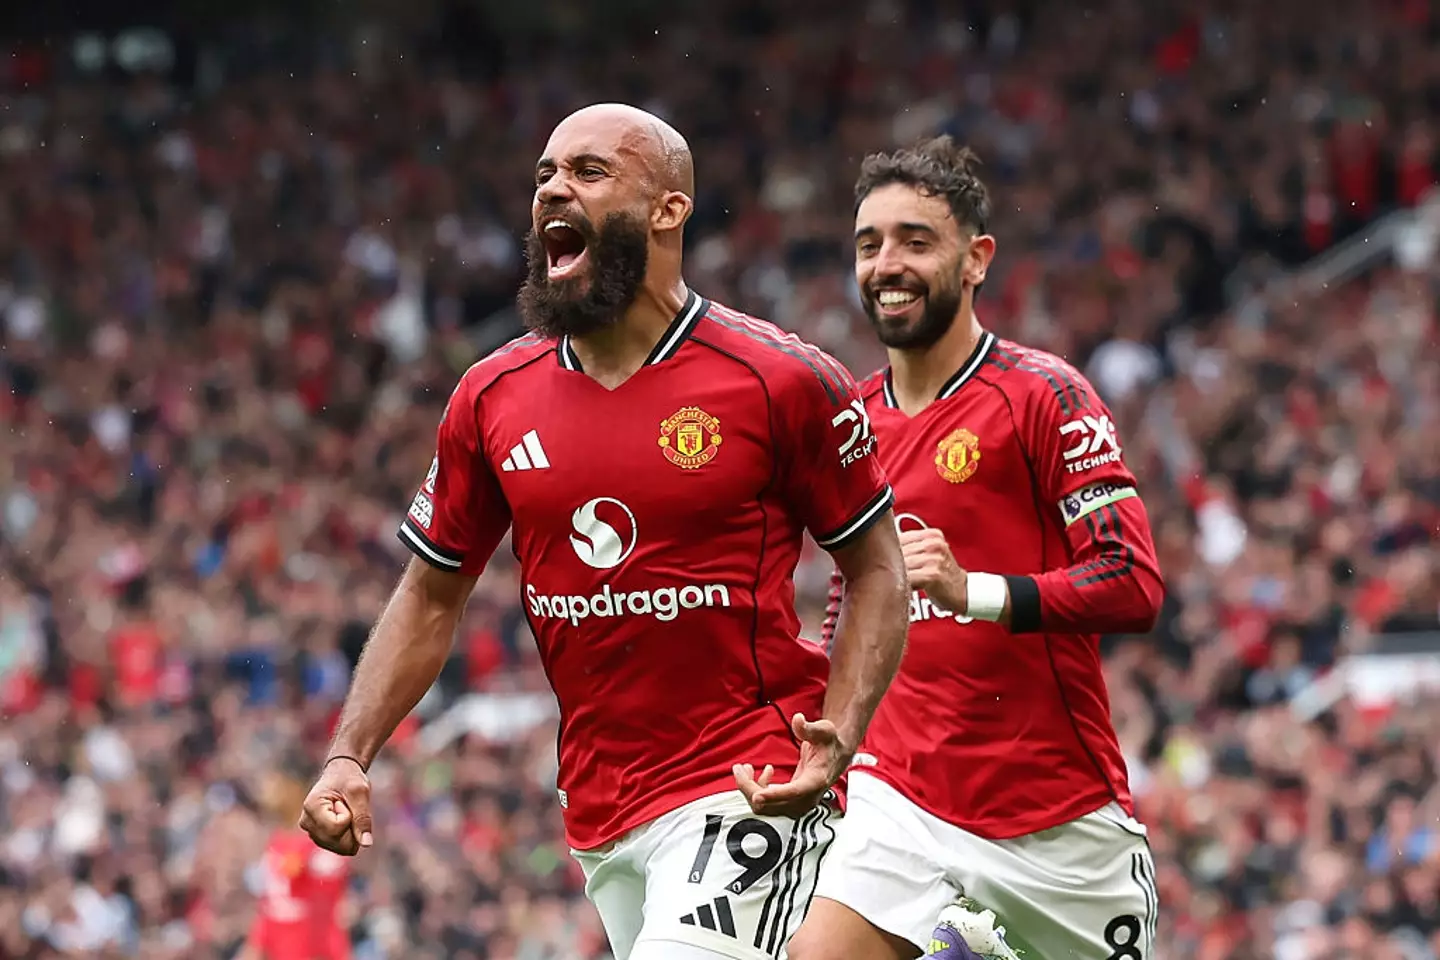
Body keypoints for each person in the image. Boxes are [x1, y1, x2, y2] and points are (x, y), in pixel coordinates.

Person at [297, 103, 910, 960]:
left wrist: (840, 729)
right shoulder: (491, 396)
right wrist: (349, 754)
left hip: (746, 777)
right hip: (599, 809)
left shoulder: (780, 379)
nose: (554, 188)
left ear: (668, 210)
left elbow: (879, 569)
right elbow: (433, 591)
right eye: (545, 174)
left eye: (589, 172)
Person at [786, 137, 1166, 960]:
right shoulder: (846, 422)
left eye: (915, 242)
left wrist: (975, 592)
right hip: (900, 806)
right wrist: (826, 729)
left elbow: (1132, 582)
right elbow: (847, 604)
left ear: (975, 259)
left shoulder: (1045, 397)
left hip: (1058, 829)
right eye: (869, 244)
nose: (888, 263)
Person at [239, 772, 352, 960]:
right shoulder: (275, 843)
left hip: (311, 946)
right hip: (281, 943)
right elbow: (269, 910)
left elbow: (330, 905)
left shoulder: (319, 845)